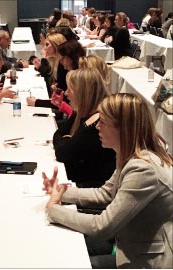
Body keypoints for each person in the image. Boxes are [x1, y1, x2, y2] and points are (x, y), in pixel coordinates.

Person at [43, 93, 173, 269]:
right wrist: (60, 191)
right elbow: (105, 193)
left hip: (150, 262)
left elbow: (102, 226)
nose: (97, 126)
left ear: (123, 128)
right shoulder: (131, 155)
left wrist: (54, 210)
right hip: (131, 246)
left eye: (102, 122)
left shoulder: (144, 168)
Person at [52, 68, 116, 188]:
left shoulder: (97, 123)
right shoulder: (80, 113)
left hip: (89, 187)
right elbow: (58, 134)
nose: (65, 93)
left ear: (82, 92)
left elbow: (62, 153)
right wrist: (67, 140)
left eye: (69, 89)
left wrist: (66, 140)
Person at [26, 32, 67, 108]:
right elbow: (47, 73)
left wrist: (36, 102)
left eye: (47, 45)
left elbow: (62, 102)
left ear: (56, 46)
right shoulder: (55, 62)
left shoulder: (64, 67)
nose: (44, 48)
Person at [50, 39, 86, 117]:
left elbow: (79, 115)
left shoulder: (81, 77)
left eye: (62, 58)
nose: (60, 61)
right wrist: (61, 104)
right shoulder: (70, 72)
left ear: (71, 57)